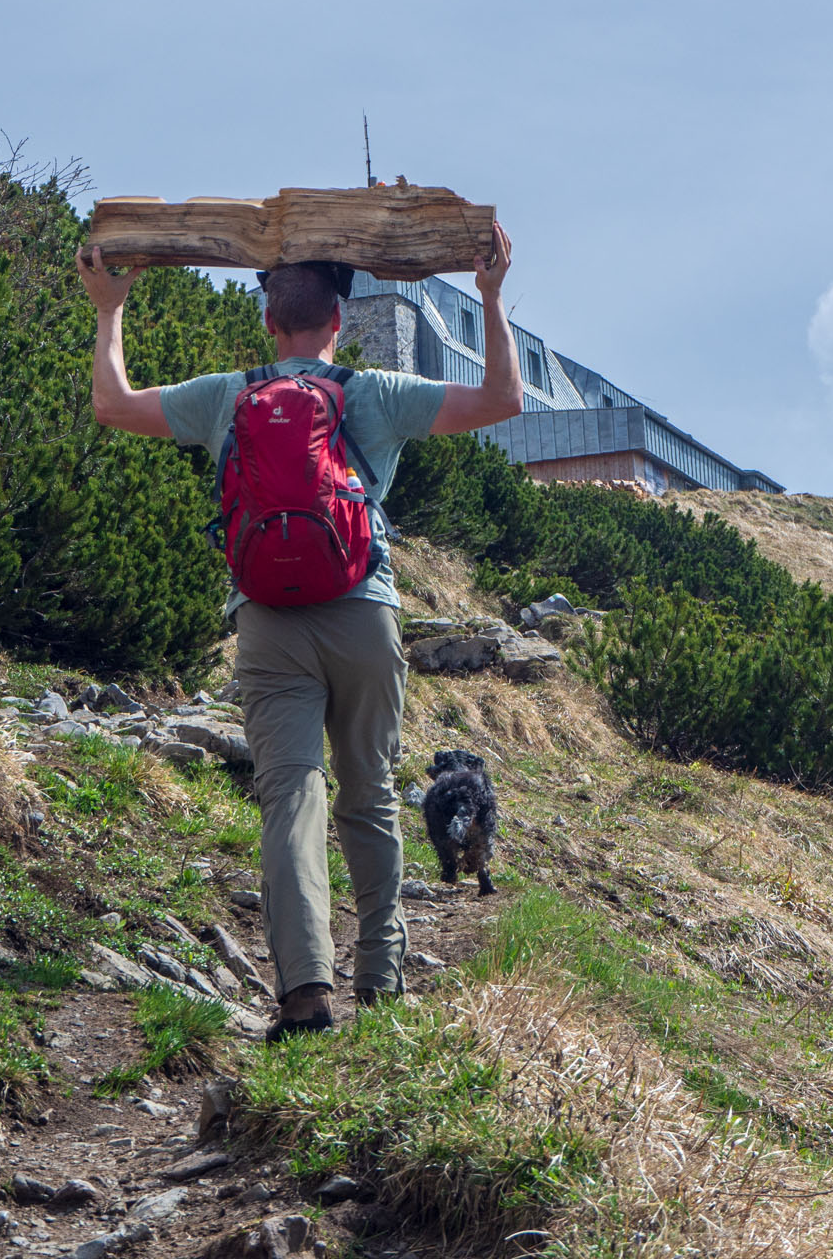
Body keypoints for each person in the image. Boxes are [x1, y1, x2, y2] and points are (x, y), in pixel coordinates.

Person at [77, 223, 523, 1040]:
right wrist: (490, 297)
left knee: (291, 799)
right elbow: (502, 401)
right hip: (363, 612)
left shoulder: (226, 396)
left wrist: (111, 309)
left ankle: (306, 996)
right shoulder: (371, 391)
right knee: (372, 800)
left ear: (268, 324)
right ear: (339, 322)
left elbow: (112, 404)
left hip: (268, 626)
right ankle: (381, 982)